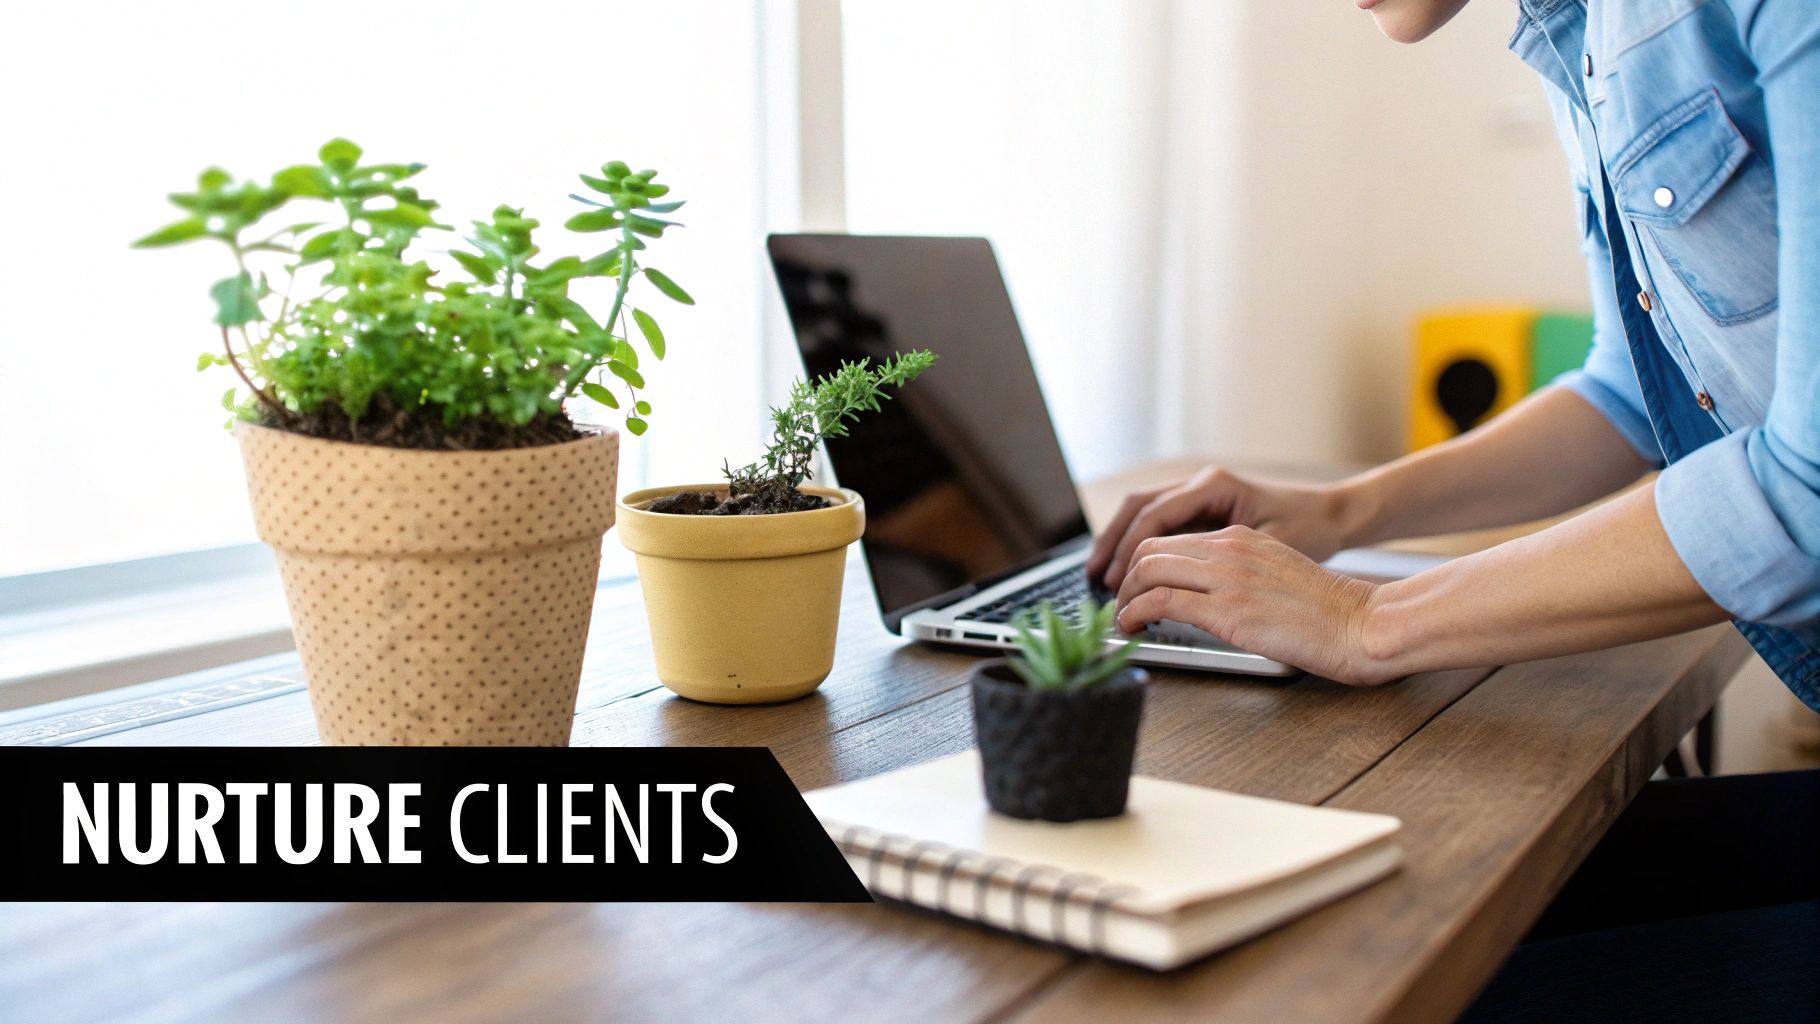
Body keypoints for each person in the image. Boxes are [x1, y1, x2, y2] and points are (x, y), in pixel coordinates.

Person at [1088, 1, 1820, 1019]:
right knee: (1372, 919)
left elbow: (1807, 489)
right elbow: (1630, 390)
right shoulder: (1577, 32)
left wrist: (1364, 620)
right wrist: (1338, 513)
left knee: (1395, 984)